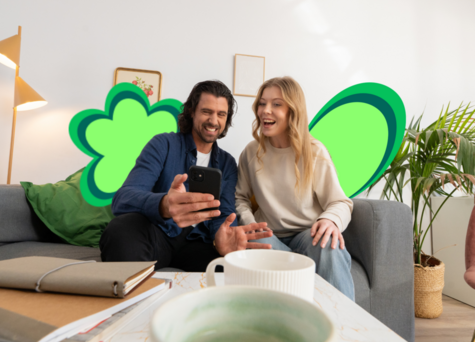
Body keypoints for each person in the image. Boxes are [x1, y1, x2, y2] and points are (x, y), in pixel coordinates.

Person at [100, 80, 273, 272]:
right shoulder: (163, 144)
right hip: (158, 234)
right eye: (207, 111)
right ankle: (133, 296)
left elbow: (224, 213)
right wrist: (164, 204)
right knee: (120, 229)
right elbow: (123, 199)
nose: (214, 121)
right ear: (192, 111)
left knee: (231, 268)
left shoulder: (227, 163)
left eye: (221, 114)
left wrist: (222, 238)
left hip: (199, 243)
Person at [235, 76, 355, 299]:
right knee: (258, 241)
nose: (265, 110)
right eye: (262, 103)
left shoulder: (315, 151)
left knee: (328, 242)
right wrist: (250, 224)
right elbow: (240, 198)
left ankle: (343, 328)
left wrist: (329, 220)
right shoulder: (251, 152)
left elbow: (340, 202)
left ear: (293, 110)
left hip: (308, 234)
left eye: (276, 104)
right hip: (269, 233)